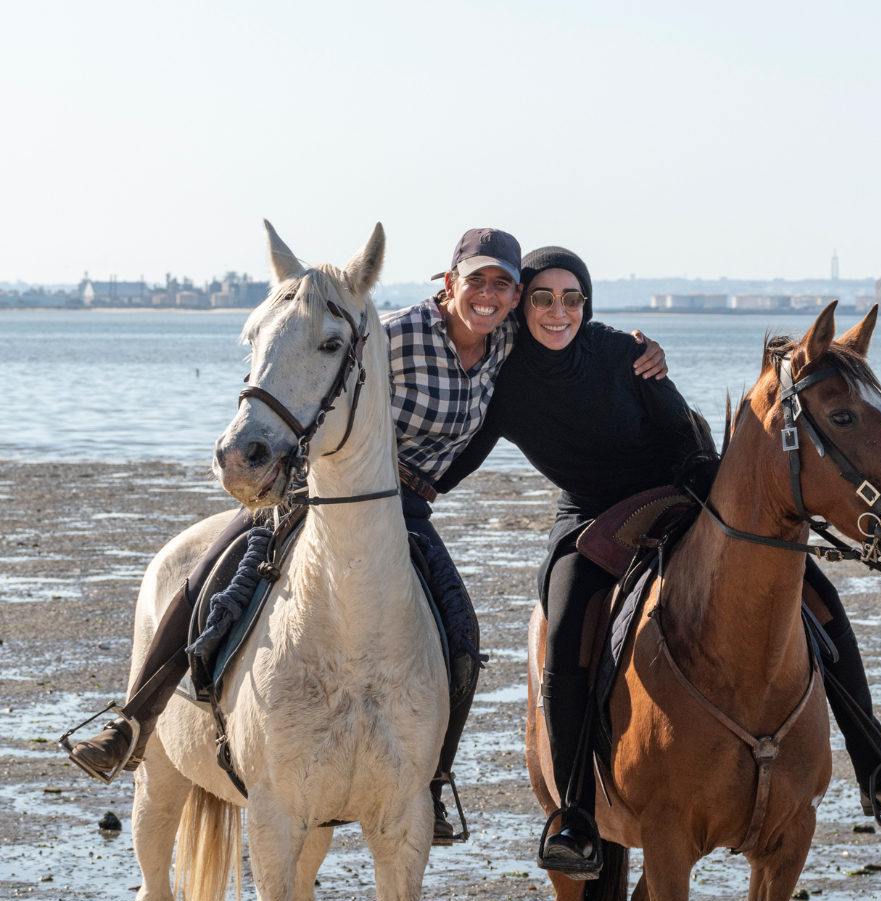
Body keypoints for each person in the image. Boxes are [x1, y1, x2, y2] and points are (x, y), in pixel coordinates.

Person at [66, 228, 669, 844]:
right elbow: (313, 364)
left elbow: (570, 331)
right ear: (449, 281)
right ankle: (131, 724)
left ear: (515, 297)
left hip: (407, 506)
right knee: (212, 572)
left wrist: (640, 349)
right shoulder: (392, 334)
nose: (488, 296)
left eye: (502, 285)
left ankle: (429, 784)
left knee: (462, 632)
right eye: (476, 281)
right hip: (325, 490)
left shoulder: (508, 342)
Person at [435, 246, 881, 879]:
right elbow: (458, 460)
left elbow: (680, 428)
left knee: (814, 591)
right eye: (543, 298)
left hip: (682, 492)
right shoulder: (506, 382)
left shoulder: (624, 353)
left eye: (572, 298)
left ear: (586, 305)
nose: (558, 311)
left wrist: (721, 502)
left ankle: (878, 767)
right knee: (563, 632)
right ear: (522, 305)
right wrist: (403, 483)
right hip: (591, 517)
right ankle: (575, 815)